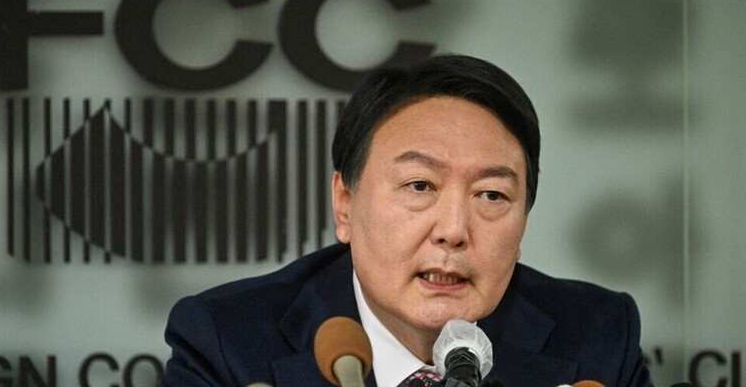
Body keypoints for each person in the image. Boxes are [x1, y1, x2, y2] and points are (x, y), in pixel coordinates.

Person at [160, 54, 653, 387]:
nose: (453, 231)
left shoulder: (597, 337)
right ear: (345, 204)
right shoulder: (228, 344)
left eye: (491, 195)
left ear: (523, 220)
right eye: (420, 186)